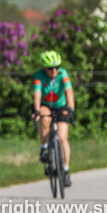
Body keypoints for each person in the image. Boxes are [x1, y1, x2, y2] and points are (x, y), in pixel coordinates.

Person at [31, 51, 75, 187]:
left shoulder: (63, 74)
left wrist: (71, 108)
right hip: (45, 105)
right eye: (50, 68)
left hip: (60, 105)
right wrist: (37, 110)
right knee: (45, 118)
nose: (54, 71)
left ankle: (66, 171)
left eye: (56, 67)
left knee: (63, 138)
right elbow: (37, 95)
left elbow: (69, 91)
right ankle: (44, 148)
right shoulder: (39, 75)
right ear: (45, 68)